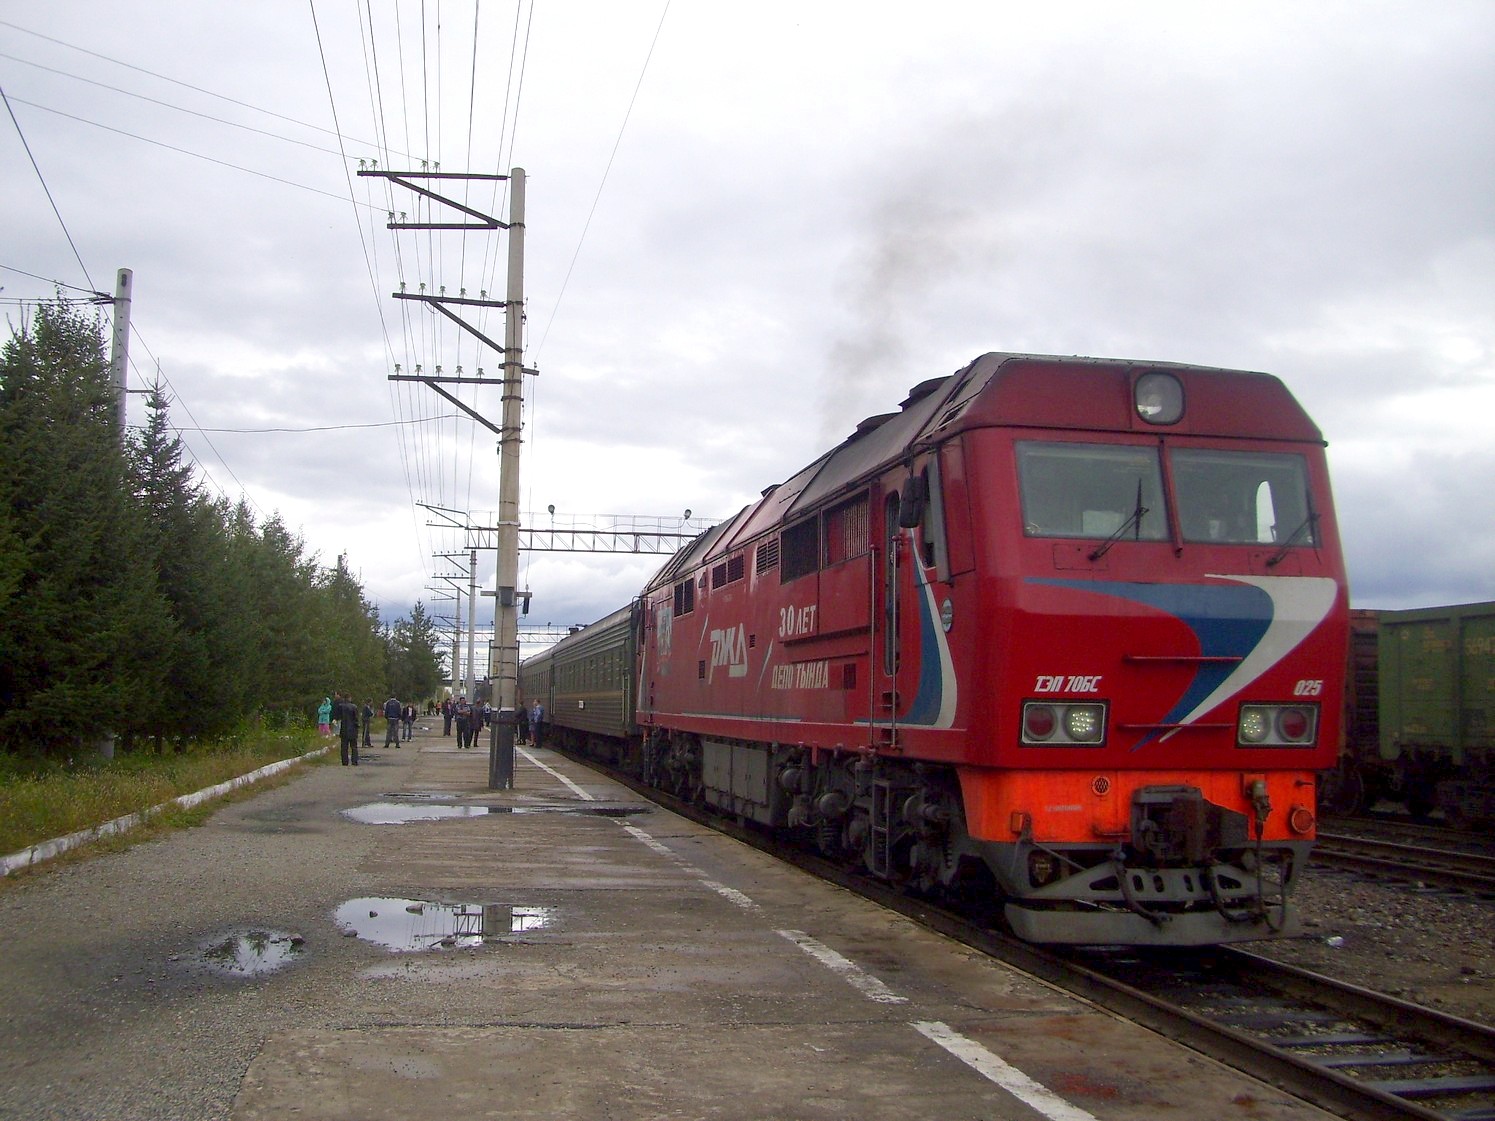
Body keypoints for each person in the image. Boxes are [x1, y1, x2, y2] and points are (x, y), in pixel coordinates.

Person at [334, 692, 360, 766]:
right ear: (349, 698)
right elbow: (356, 718)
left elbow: (337, 717)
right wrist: (357, 725)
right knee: (354, 746)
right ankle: (354, 761)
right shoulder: (354, 707)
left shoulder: (340, 706)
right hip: (353, 729)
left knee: (344, 747)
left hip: (344, 729)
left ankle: (345, 762)